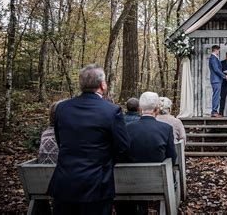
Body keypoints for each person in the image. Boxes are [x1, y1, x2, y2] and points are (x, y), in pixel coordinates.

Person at [48, 64, 130, 215]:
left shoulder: (62, 108)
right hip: (97, 184)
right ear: (102, 85)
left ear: (81, 84)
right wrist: (107, 162)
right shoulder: (112, 111)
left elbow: (60, 141)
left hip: (65, 181)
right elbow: (122, 147)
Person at [117, 92, 177, 215]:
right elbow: (172, 157)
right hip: (158, 183)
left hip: (129, 183)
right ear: (157, 109)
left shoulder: (126, 129)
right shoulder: (166, 129)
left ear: (139, 109)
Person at [208, 45, 227, 117]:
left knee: (216, 95)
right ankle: (214, 112)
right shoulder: (213, 58)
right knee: (216, 96)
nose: (219, 52)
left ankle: (215, 111)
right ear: (216, 50)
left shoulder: (214, 58)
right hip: (216, 80)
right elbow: (216, 69)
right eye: (218, 50)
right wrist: (225, 76)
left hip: (217, 80)